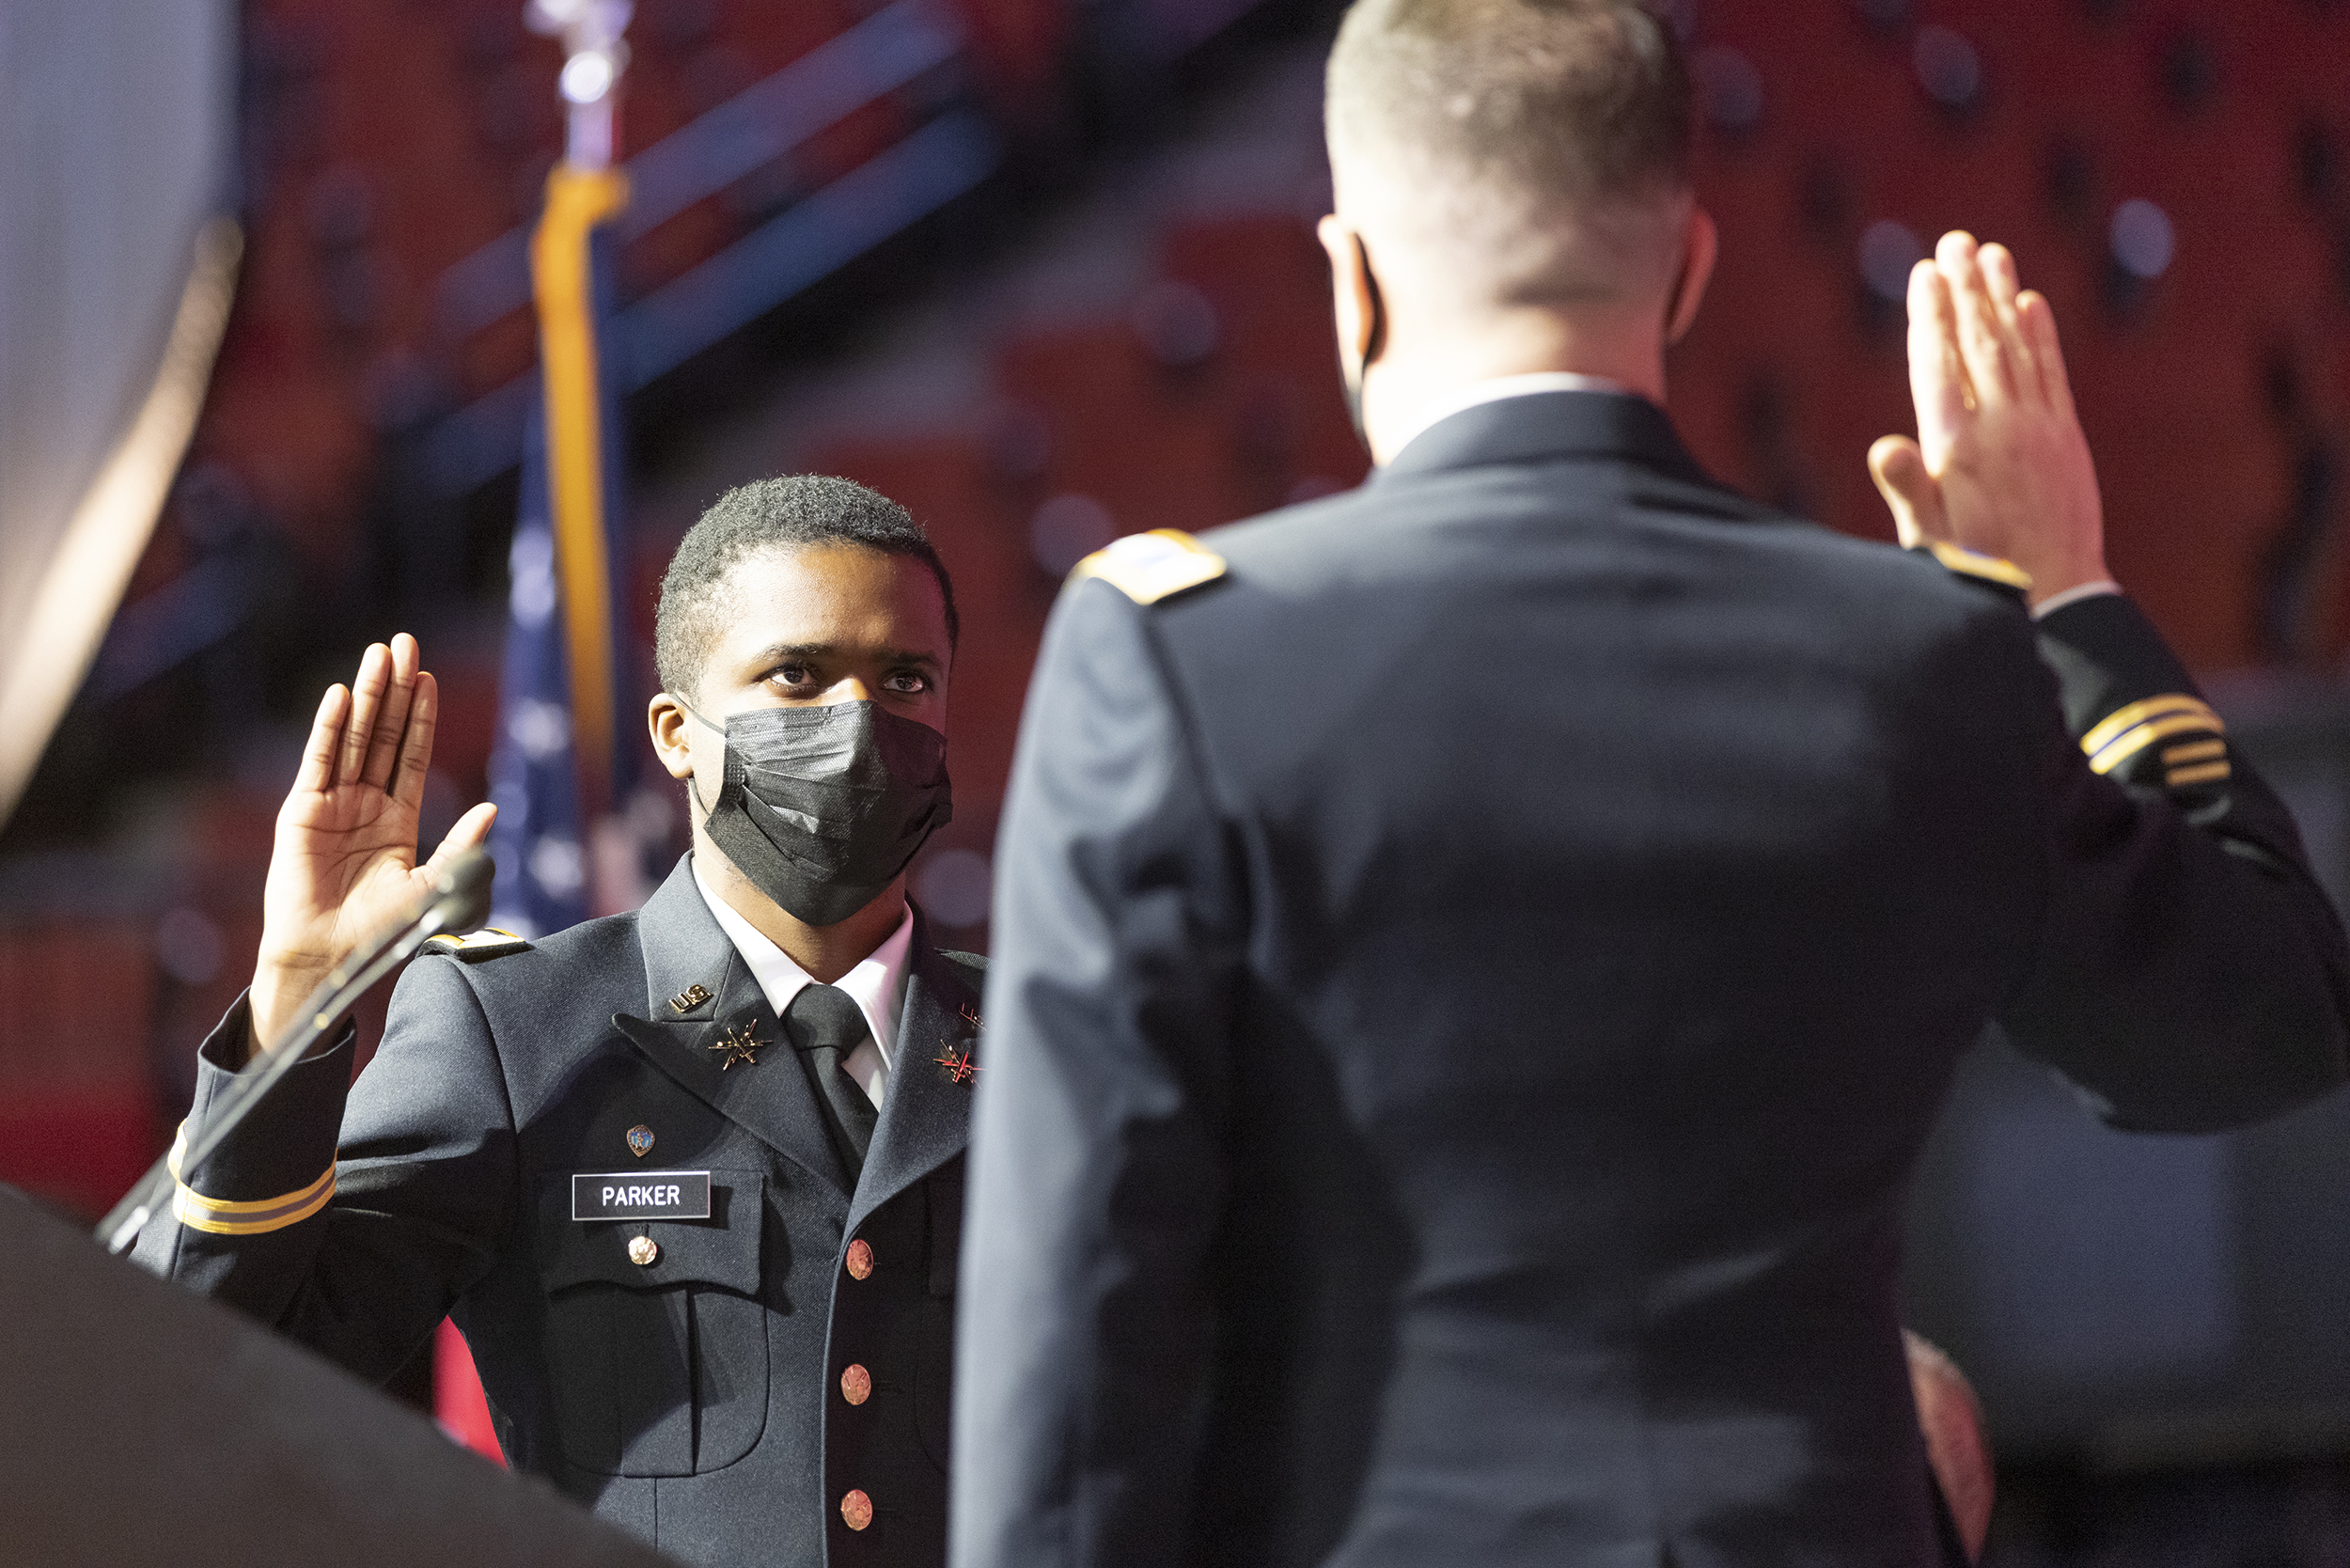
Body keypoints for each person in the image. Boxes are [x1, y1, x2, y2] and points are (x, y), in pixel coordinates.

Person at [950, 1, 2350, 1563]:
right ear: (1690, 266)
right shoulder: (1914, 652)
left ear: (1349, 285)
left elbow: (1076, 1332)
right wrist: (2070, 599)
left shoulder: (1178, 661)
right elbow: (2254, 1027)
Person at [135, 477, 983, 1568]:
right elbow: (216, 1366)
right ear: (678, 735)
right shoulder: (520, 1031)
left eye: (905, 678)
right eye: (797, 676)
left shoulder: (1050, 1044)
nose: (859, 720)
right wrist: (297, 1002)